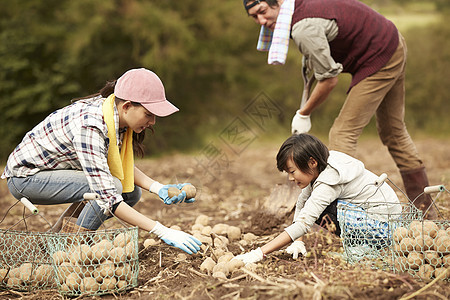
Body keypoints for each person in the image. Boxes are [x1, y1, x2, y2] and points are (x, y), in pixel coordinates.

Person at [242, 0, 437, 219]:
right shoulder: (298, 8)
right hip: (391, 41)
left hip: (380, 55)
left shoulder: (303, 27)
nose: (261, 21)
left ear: (277, 2)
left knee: (342, 133)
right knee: (393, 131)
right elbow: (315, 70)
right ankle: (425, 212)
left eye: (262, 11)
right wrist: (304, 109)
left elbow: (329, 80)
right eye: (254, 17)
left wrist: (303, 113)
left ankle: (335, 217)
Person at [1, 68, 202, 255]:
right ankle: (69, 250)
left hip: (49, 173)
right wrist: (162, 231)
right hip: (25, 178)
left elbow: (119, 167)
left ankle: (55, 240)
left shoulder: (114, 115)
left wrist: (159, 188)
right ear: (127, 106)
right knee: (113, 187)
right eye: (148, 114)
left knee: (130, 191)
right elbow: (108, 197)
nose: (152, 122)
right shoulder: (91, 127)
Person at [233, 133, 402, 263]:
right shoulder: (322, 166)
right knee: (314, 206)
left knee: (323, 212)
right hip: (374, 219)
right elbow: (301, 203)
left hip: (383, 228)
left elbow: (304, 222)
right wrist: (297, 242)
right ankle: (363, 245)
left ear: (312, 162)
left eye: (292, 172)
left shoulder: (329, 182)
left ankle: (368, 249)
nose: (291, 178)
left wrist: (259, 253)